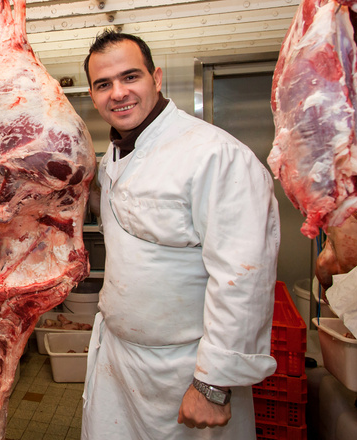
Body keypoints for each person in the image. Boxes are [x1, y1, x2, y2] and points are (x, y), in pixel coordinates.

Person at [80, 30, 280, 439]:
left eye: (130, 77)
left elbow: (243, 276)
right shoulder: (113, 158)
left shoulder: (214, 155)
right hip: (118, 358)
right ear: (93, 94)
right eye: (104, 84)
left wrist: (213, 384)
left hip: (185, 369)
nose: (118, 93)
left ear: (156, 77)